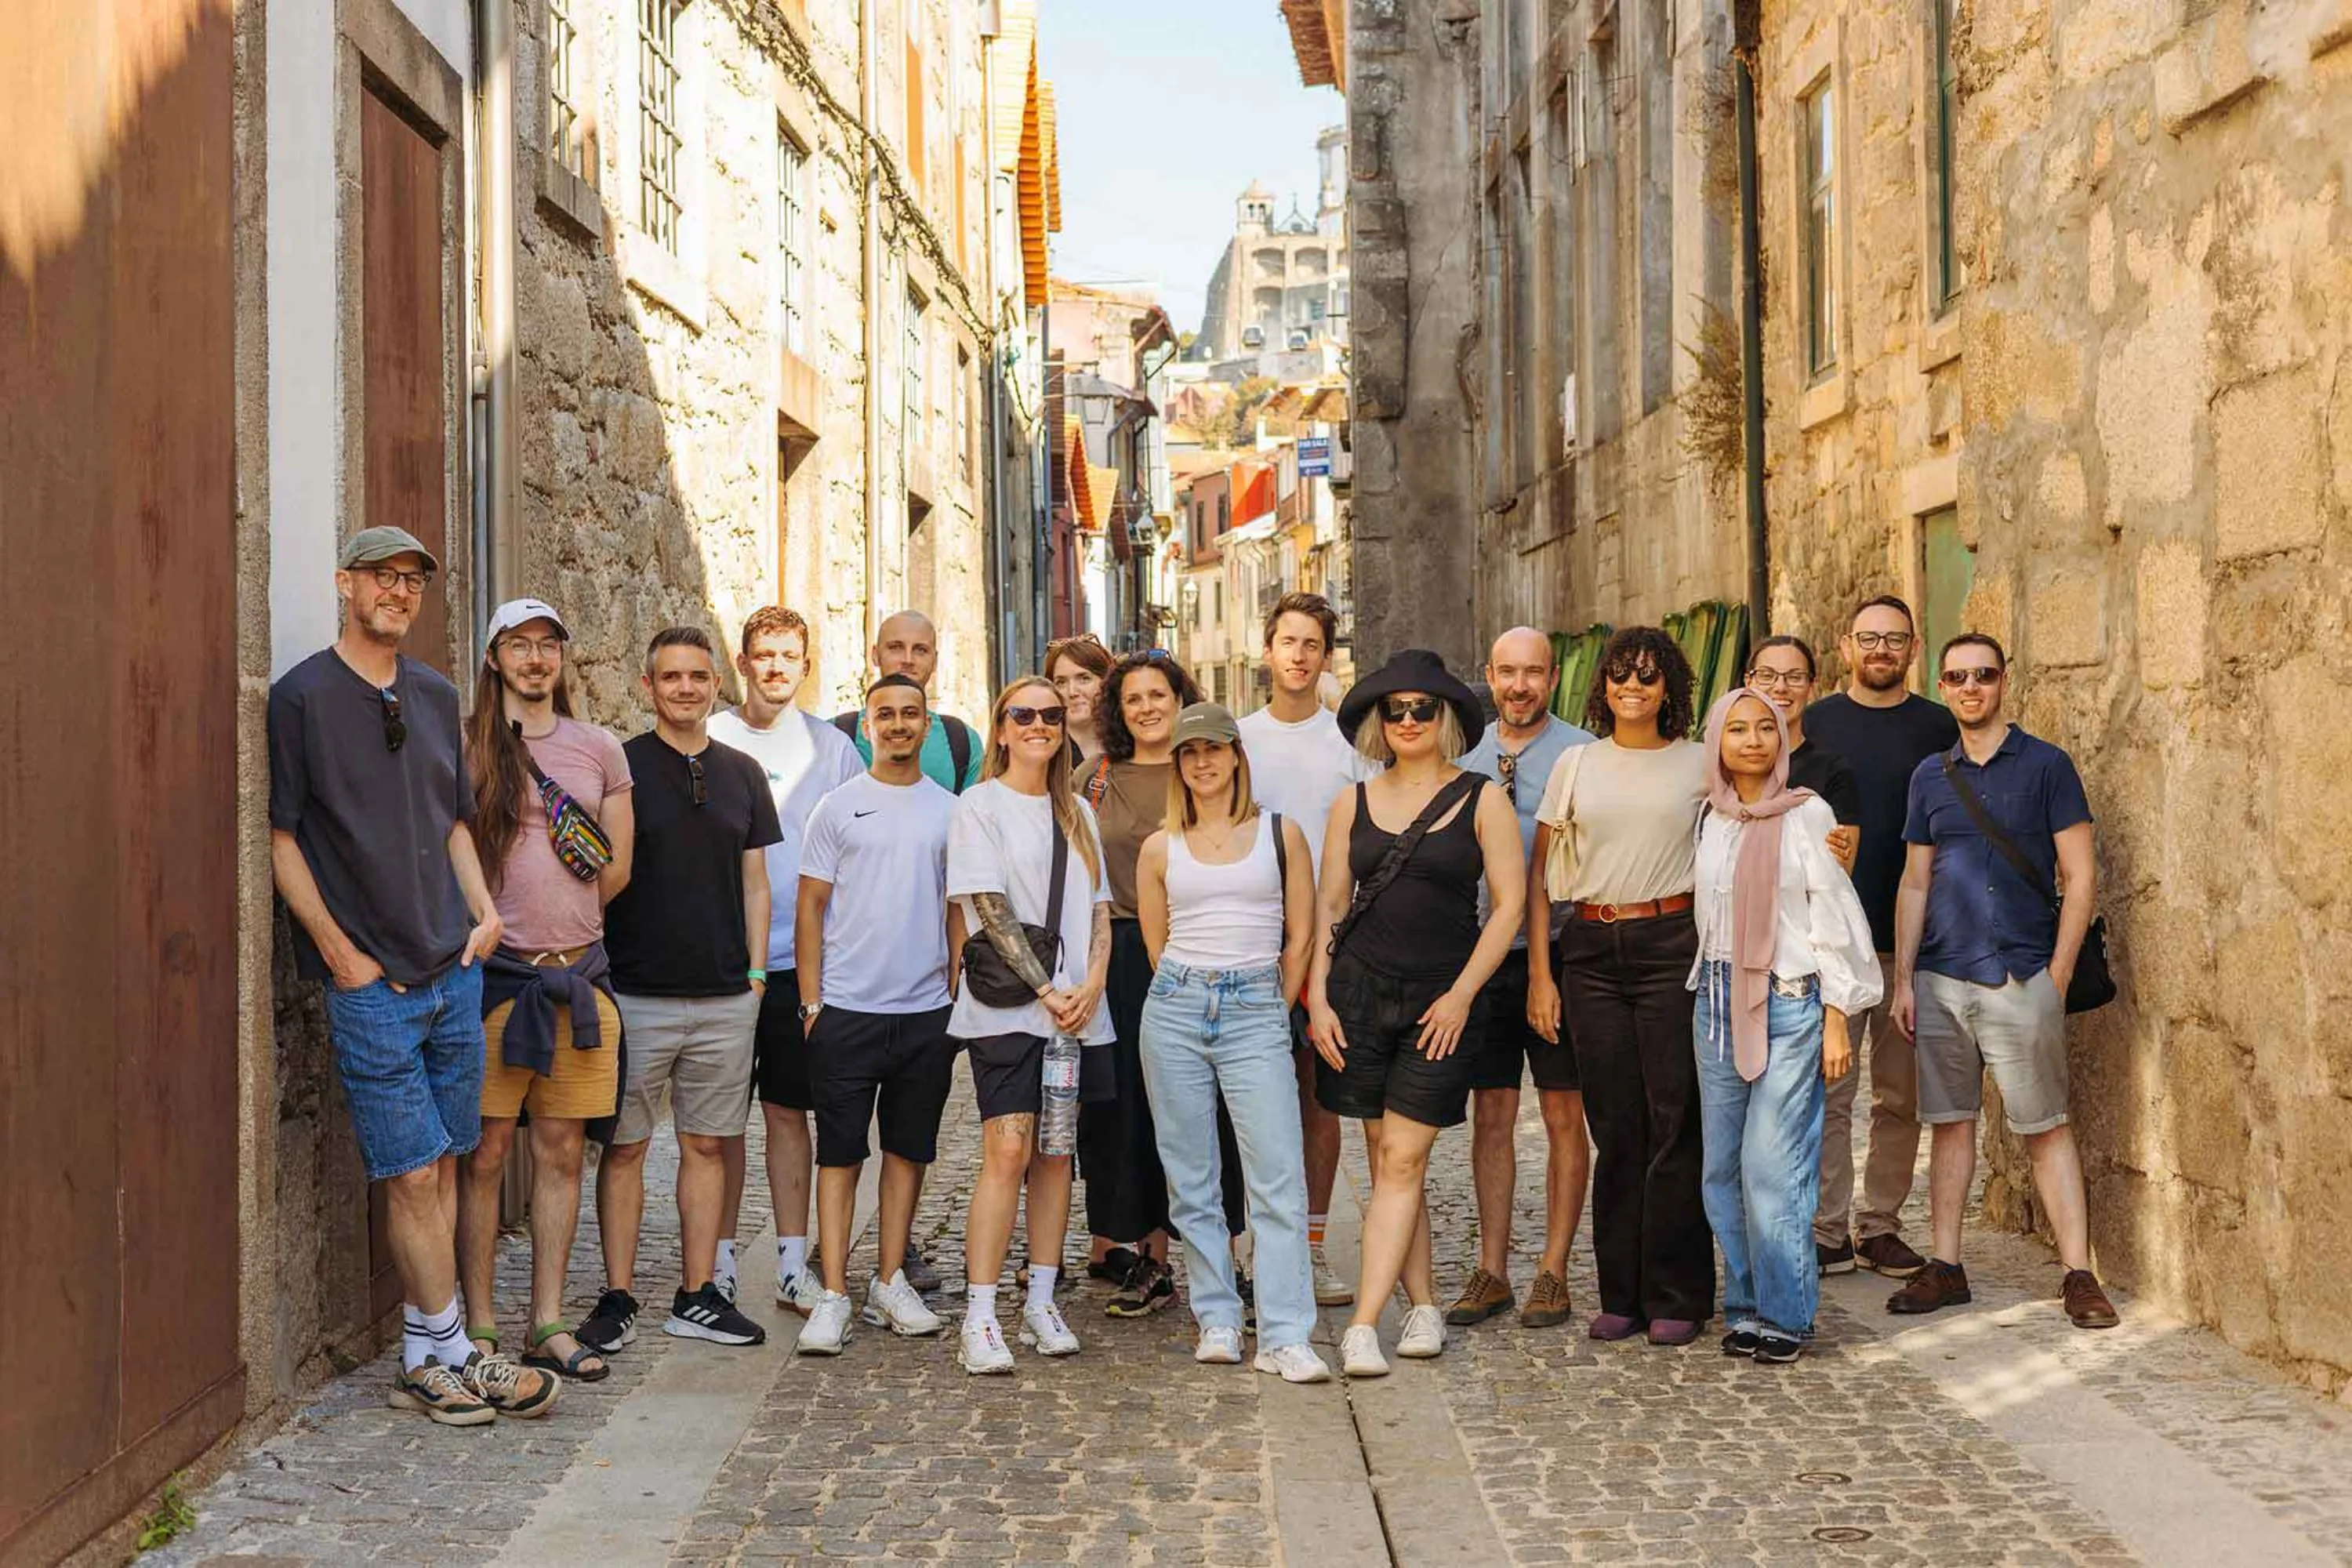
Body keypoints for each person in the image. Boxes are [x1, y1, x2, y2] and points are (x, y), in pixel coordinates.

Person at [268, 526, 551, 1425]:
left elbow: (453, 821)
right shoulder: (301, 697)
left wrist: (486, 913)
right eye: (382, 576)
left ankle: (426, 1354)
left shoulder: (434, 694)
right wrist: (338, 952)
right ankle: (455, 1348)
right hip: (372, 983)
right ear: (344, 583)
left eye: (413, 580)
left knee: (444, 1161)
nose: (399, 591)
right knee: (414, 1171)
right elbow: (282, 837)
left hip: (452, 970)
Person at [1306, 650, 1526, 1377]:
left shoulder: (1482, 799)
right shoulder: (1352, 803)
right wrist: (1317, 997)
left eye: (1422, 708)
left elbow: (1509, 908)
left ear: (1446, 718)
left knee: (1403, 1156)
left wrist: (1462, 995)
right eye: (1394, 710)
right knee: (1387, 1161)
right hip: (1360, 997)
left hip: (1442, 1002)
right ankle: (1424, 1303)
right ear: (1379, 721)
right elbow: (1330, 905)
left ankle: (1363, 1326)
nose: (1407, 720)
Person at [1889, 634, 2118, 1329]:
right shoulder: (1929, 776)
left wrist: (2059, 974)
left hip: (2022, 975)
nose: (1971, 688)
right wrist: (1904, 980)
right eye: (1957, 677)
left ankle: (2079, 1274)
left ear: (2003, 682)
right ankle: (1947, 1265)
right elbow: (1915, 881)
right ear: (1942, 686)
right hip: (1942, 978)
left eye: (1983, 675)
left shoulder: (2048, 766)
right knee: (1949, 1124)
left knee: (2045, 1126)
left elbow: (2079, 875)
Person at [583, 627, 779, 1354]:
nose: (686, 688)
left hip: (726, 996)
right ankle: (618, 1295)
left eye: (698, 676)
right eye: (671, 677)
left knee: (707, 1145)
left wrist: (755, 976)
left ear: (715, 685)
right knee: (624, 1148)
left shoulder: (744, 773)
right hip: (636, 993)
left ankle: (697, 1294)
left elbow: (755, 884)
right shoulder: (622, 767)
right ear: (649, 687)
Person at [457, 598, 633, 1388]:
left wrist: (568, 926)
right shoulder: (468, 745)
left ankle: (549, 1322)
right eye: (520, 645)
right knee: (487, 1153)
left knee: (562, 1151)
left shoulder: (599, 748)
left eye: (548, 645)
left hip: (578, 979)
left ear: (563, 658)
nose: (535, 659)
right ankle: (479, 1324)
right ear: (494, 657)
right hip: (496, 980)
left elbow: (617, 867)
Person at [1526, 626, 1713, 1346]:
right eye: (1621, 675)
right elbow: (1541, 877)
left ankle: (1678, 1295)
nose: (1633, 687)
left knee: (1674, 1119)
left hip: (1671, 942)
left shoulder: (1700, 762)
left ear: (1669, 689)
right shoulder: (1576, 763)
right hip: (1590, 952)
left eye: (1648, 676)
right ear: (1603, 686)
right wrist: (1542, 976)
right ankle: (1621, 1295)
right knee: (1614, 1125)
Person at [1134, 703, 1330, 1383]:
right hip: (1177, 1006)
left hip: (1255, 1005)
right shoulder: (1160, 847)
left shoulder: (1281, 834)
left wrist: (1272, 1005)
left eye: (1214, 749)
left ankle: (1284, 1333)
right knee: (1192, 1179)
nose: (1202, 763)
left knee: (1277, 1178)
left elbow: (1301, 935)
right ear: (1178, 765)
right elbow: (1156, 945)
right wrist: (1193, 990)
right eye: (1189, 753)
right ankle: (1217, 1317)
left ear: (1236, 756)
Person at [1690, 688, 1882, 1366]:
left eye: (1764, 729)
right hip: (1716, 1000)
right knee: (1721, 1168)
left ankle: (1786, 1313)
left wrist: (1836, 1018)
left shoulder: (1808, 813)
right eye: (1737, 729)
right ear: (1717, 742)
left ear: (1781, 740)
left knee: (1773, 1164)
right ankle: (1745, 1305)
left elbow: (1834, 915)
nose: (1752, 741)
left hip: (1790, 1001)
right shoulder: (1711, 817)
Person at [946, 677, 1115, 1374]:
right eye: (1024, 714)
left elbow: (1100, 909)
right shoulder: (979, 807)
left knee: (1056, 1154)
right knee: (1008, 1151)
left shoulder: (1080, 813)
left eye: (1051, 715)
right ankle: (981, 1314)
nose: (1039, 724)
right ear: (1003, 728)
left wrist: (1093, 983)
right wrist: (1047, 989)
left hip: (1078, 1010)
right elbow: (988, 908)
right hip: (1007, 1012)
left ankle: (1042, 1300)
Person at [791, 675, 959, 1354]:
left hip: (925, 1012)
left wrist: (955, 995)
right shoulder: (836, 808)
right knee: (839, 1154)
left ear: (926, 725)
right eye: (884, 714)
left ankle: (890, 1281)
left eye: (910, 714)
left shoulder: (950, 811)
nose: (897, 724)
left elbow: (957, 910)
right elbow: (810, 906)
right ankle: (833, 1293)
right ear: (867, 726)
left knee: (908, 1151)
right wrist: (812, 1004)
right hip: (846, 1010)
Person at [708, 607, 863, 1314]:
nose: (775, 667)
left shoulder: (832, 750)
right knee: (718, 1123)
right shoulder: (713, 736)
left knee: (786, 1113)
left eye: (788, 656)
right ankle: (717, 1263)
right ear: (742, 663)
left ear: (805, 666)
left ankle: (794, 1264)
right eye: (763, 655)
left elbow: (853, 857)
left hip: (799, 963)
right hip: (720, 960)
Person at [1076, 648, 1239, 1318]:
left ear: (1180, 702)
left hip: (1199, 946)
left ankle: (1220, 1257)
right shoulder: (1094, 778)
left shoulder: (1203, 768)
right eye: (1133, 698)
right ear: (1117, 710)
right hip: (1119, 956)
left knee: (1207, 1103)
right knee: (1128, 1110)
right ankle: (1150, 1257)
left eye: (1158, 696)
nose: (1147, 709)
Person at [1801, 596, 1957, 1279]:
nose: (1881, 650)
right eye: (1869, 638)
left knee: (1901, 1095)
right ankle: (1826, 1229)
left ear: (1914, 649)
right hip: (1830, 940)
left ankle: (1881, 1226)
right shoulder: (1814, 724)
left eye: (1895, 639)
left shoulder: (1940, 727)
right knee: (1829, 1092)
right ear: (1845, 647)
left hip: (1909, 941)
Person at [1450, 627, 1595, 1332]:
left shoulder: (1585, 756)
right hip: (1484, 959)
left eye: (1533, 673)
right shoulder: (1463, 760)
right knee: (1493, 1114)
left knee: (1566, 1113)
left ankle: (1554, 1269)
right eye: (1507, 672)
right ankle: (1493, 1269)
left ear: (1552, 677)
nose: (1519, 686)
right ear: (1489, 675)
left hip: (1564, 954)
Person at [1236, 591, 1368, 1308]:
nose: (1298, 655)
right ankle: (1259, 1246)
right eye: (1288, 642)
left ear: (1326, 657)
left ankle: (1312, 1248)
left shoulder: (1350, 745)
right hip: (1254, 938)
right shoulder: (1239, 740)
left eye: (1312, 644)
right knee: (1255, 1099)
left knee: (1321, 1099)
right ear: (1268, 651)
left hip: (1334, 943)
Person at [832, 610, 982, 794]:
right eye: (896, 647)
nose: (908, 660)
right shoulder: (834, 736)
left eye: (920, 650)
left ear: (935, 661)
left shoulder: (963, 741)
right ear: (875, 655)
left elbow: (974, 811)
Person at [1744, 636, 1864, 848]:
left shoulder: (1832, 773)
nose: (1780, 687)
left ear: (1812, 687)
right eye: (1767, 676)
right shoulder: (1725, 765)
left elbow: (1842, 862)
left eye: (1795, 677)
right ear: (1748, 683)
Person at [1047, 631, 1116, 761]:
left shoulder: (1130, 746)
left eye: (1084, 679)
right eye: (1061, 683)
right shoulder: (1044, 752)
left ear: (1106, 682)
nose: (1072, 692)